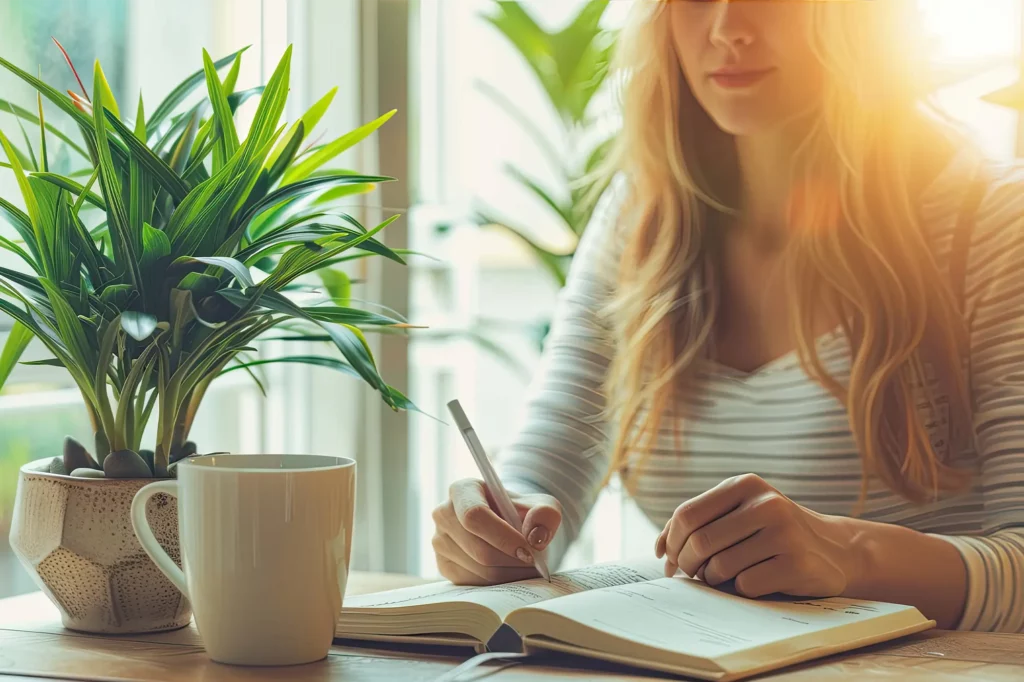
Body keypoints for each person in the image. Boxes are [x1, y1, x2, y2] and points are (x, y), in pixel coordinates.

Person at [431, 0, 1024, 633]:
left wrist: (854, 556)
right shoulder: (641, 218)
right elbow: (544, 470)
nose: (727, 28)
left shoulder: (990, 221)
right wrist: (500, 519)